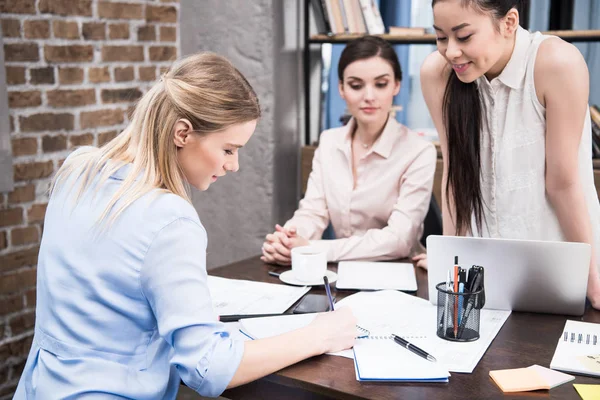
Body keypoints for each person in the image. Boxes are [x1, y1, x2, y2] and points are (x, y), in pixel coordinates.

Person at [14, 53, 357, 399]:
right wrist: (320, 335)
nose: (234, 165)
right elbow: (208, 368)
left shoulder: (77, 169)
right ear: (182, 133)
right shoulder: (170, 218)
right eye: (228, 149)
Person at [415, 0, 600, 307]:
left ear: (509, 22)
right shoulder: (438, 73)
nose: (450, 52)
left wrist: (593, 282)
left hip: (559, 269)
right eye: (441, 37)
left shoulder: (555, 62)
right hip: (483, 280)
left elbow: (563, 184)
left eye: (463, 37)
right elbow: (456, 175)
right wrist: (449, 264)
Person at [261, 36, 437, 265]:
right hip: (341, 271)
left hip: (399, 273)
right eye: (356, 85)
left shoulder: (419, 151)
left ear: (396, 85)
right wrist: (288, 239)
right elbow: (313, 212)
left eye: (381, 84)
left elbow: (399, 240)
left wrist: (311, 249)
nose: (369, 96)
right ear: (341, 89)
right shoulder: (329, 142)